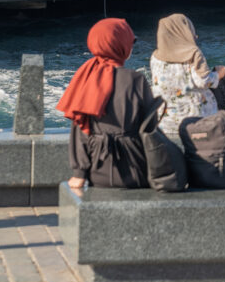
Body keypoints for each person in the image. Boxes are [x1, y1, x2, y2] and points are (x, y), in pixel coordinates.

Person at [59, 18, 155, 189]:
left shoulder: (86, 77)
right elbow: (151, 125)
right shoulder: (136, 79)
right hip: (135, 166)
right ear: (121, 46)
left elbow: (80, 129)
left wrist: (79, 173)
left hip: (97, 167)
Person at [150, 13, 225, 136]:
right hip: (194, 120)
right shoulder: (193, 53)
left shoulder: (155, 56)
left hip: (165, 121)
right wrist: (218, 74)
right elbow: (204, 81)